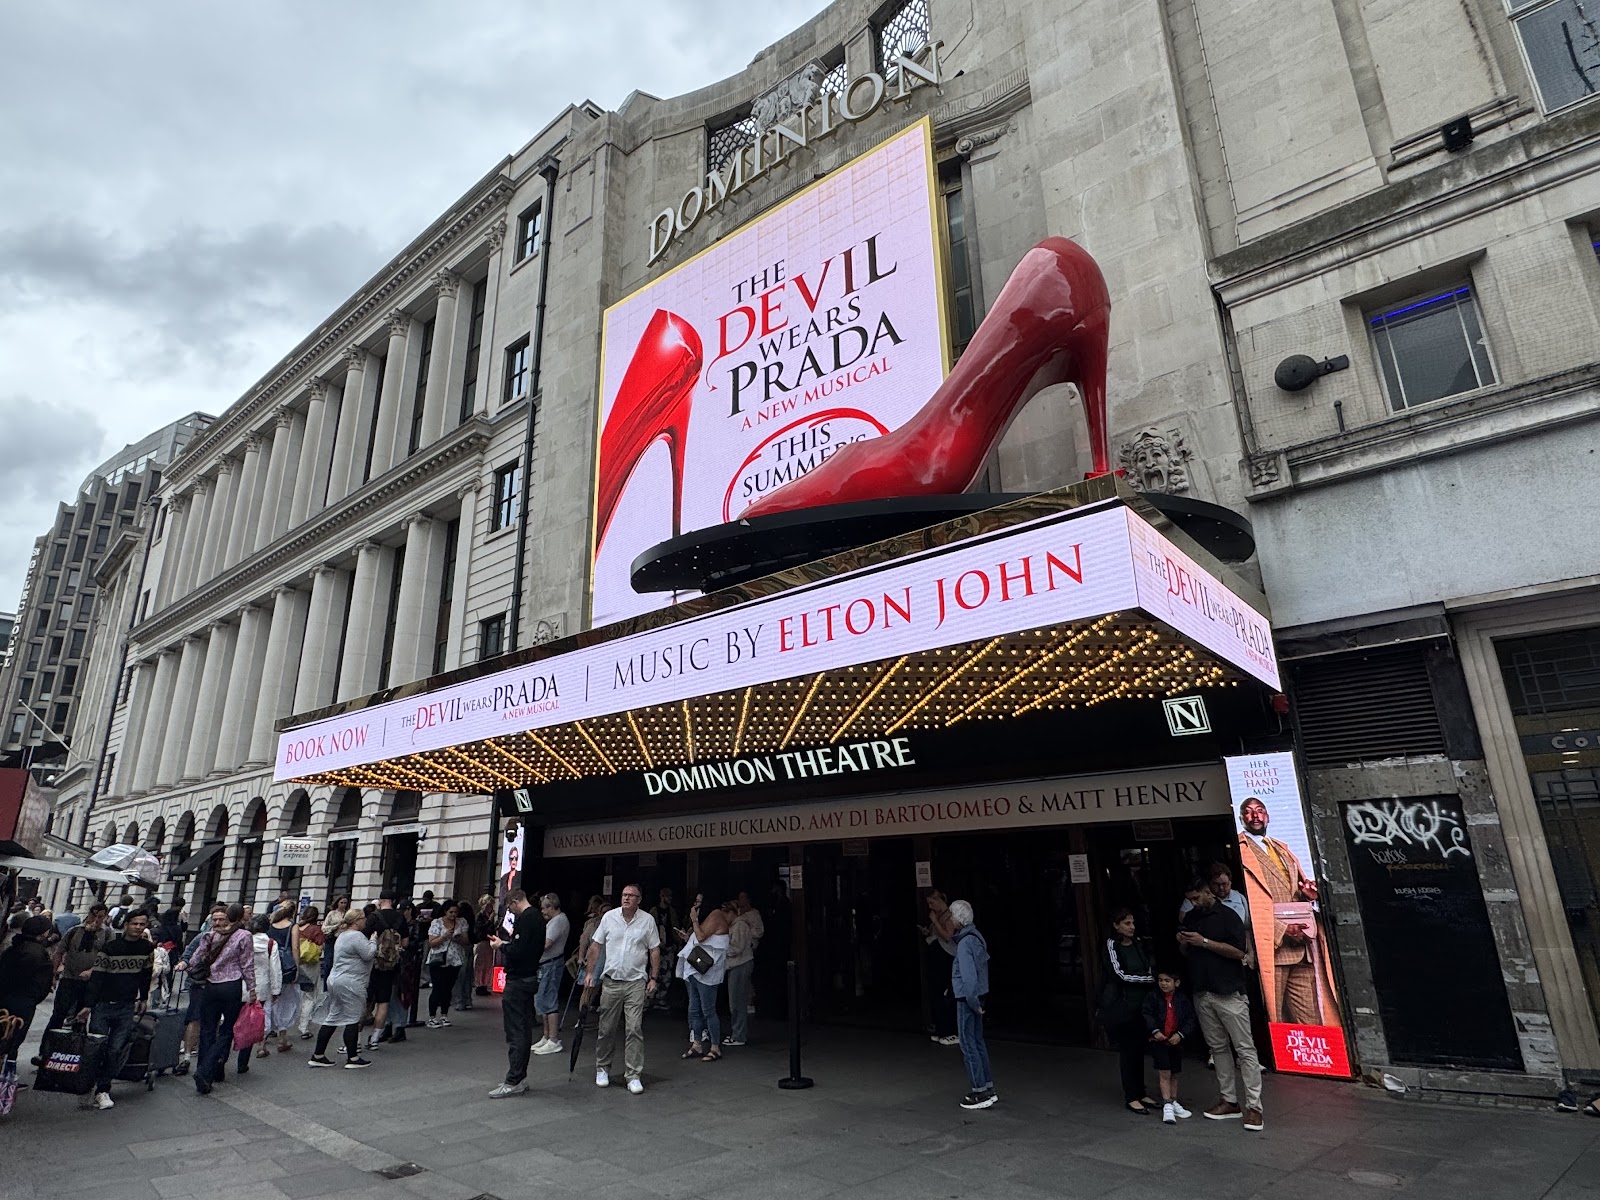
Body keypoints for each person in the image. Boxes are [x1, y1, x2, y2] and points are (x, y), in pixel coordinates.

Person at [1236, 798, 1338, 1028]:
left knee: (1312, 1018)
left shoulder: (1281, 847)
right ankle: (1283, 1065)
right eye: (1249, 812)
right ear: (1241, 818)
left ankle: (1311, 1064)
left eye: (1260, 811)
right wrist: (1282, 929)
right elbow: (1247, 903)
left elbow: (1291, 893)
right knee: (1276, 1019)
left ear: (1268, 816)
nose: (1255, 816)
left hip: (1303, 948)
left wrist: (1308, 895)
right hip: (1274, 948)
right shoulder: (1241, 850)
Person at [1178, 878, 1262, 1131]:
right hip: (1202, 990)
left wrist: (1204, 942)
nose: (1193, 903)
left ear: (1207, 893)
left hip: (1228, 990)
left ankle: (1255, 1106)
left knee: (1245, 1048)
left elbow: (1239, 952)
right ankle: (1229, 1100)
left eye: (1196, 898)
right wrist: (1184, 942)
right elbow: (1186, 953)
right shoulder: (1192, 917)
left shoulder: (1228, 916)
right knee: (1218, 1048)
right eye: (1190, 900)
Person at [76, 908, 156, 1110]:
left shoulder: (147, 948)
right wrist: (87, 1005)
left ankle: (103, 1089)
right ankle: (88, 1084)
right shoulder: (110, 947)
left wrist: (144, 998)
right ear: (126, 924)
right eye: (135, 923)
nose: (138, 927)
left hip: (126, 1006)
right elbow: (97, 977)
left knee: (115, 1050)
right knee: (96, 1047)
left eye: (142, 924)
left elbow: (145, 975)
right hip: (103, 1004)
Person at [584, 883, 661, 1093]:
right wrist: (590, 973)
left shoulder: (647, 920)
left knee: (634, 1028)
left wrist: (654, 977)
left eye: (631, 895)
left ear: (639, 899)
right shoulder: (609, 917)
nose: (626, 898)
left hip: (636, 981)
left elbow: (654, 950)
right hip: (611, 981)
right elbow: (596, 945)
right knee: (606, 1028)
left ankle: (633, 1074)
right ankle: (602, 1067)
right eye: (624, 894)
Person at [180, 904, 256, 1095]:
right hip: (231, 985)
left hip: (210, 985)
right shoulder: (244, 936)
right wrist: (252, 987)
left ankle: (203, 1072)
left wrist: (186, 965)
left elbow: (197, 956)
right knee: (227, 1030)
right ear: (240, 918)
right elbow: (247, 964)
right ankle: (207, 1069)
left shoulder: (210, 935)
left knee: (207, 1029)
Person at [487, 890, 543, 1098]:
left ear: (515, 901)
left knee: (515, 1029)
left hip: (518, 979)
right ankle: (519, 1076)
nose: (509, 910)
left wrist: (502, 946)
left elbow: (519, 951)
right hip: (529, 977)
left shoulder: (526, 919)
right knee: (523, 1028)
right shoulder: (537, 918)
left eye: (509, 906)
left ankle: (514, 1079)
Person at [1101, 908, 1157, 1115]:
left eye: (1132, 923)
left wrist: (1147, 978)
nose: (1131, 927)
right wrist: (1146, 980)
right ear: (1116, 926)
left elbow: (1147, 967)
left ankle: (1141, 1091)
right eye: (1126, 923)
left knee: (1139, 1049)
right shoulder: (1112, 945)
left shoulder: (1139, 943)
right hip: (1124, 1005)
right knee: (1128, 1051)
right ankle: (1131, 1096)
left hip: (1142, 1004)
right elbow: (1118, 974)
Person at [307, 910, 374, 1069]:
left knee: (333, 1016)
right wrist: (373, 941)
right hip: (351, 982)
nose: (365, 921)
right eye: (363, 918)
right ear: (357, 921)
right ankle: (353, 1058)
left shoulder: (342, 935)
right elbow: (368, 954)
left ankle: (318, 1055)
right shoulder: (356, 936)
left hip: (336, 979)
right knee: (352, 1018)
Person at [948, 900, 996, 1110]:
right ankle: (987, 1086)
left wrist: (972, 1001)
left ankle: (980, 1091)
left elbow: (968, 977)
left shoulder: (965, 943)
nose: (949, 919)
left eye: (951, 915)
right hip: (979, 995)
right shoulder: (976, 938)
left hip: (968, 999)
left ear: (958, 919)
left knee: (968, 1044)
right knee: (978, 1041)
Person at [174, 903, 226, 1075]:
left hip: (221, 986)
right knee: (195, 1018)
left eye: (221, 919)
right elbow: (187, 955)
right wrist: (184, 964)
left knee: (215, 1022)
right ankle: (187, 1057)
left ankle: (211, 1058)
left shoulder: (233, 938)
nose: (217, 923)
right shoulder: (203, 937)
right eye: (215, 919)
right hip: (200, 985)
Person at [677, 897, 730, 1061]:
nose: (695, 906)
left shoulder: (716, 915)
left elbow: (701, 937)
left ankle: (715, 1047)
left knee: (708, 1010)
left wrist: (694, 919)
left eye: (699, 902)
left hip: (707, 972)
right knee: (694, 1009)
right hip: (694, 969)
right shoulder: (708, 918)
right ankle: (697, 1044)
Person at [0, 916, 56, 1071]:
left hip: (6, 996)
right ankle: (7, 1076)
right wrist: (33, 998)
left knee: (5, 1034)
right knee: (13, 1038)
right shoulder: (38, 953)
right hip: (24, 1000)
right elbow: (42, 983)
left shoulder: (13, 948)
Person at [1143, 967, 1198, 1124]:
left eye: (1167, 981)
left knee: (1175, 1073)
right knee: (1164, 1072)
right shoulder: (1153, 997)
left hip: (1175, 1040)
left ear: (1177, 983)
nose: (1163, 984)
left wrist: (1181, 1035)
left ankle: (1174, 1101)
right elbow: (1147, 1014)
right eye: (1160, 980)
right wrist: (1154, 1031)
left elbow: (1190, 1018)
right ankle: (1166, 1104)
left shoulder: (1182, 1000)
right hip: (1159, 1040)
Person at [49, 901, 111, 1028]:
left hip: (90, 982)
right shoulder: (74, 931)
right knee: (58, 1014)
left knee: (80, 1018)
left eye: (100, 917)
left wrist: (92, 971)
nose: (96, 920)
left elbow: (108, 957)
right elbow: (59, 952)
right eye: (93, 916)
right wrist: (54, 974)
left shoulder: (107, 934)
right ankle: (49, 1045)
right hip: (69, 978)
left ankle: (74, 1044)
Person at [364, 893, 406, 1052]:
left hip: (372, 964)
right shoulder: (400, 918)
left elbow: (364, 937)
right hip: (390, 965)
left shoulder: (374, 917)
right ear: (393, 901)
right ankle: (374, 1039)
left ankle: (355, 1039)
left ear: (381, 901)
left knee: (366, 1002)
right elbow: (405, 942)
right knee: (383, 1002)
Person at [242, 915, 282, 1072]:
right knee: (262, 1014)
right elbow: (275, 969)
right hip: (263, 984)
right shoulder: (271, 944)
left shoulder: (245, 941)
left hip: (244, 983)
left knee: (243, 1013)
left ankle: (242, 1039)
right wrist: (276, 989)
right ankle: (260, 1045)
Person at [921, 891, 959, 1046]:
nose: (930, 906)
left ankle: (949, 1030)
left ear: (940, 900)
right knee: (935, 992)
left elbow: (948, 935)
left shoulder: (948, 916)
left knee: (945, 993)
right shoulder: (938, 915)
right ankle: (940, 1028)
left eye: (932, 903)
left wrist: (935, 921)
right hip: (936, 955)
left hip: (946, 957)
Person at [532, 894, 569, 1054]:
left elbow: (547, 944)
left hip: (551, 964)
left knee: (549, 999)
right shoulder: (557, 920)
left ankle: (553, 1038)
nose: (542, 911)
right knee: (543, 1000)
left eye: (544, 908)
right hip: (548, 963)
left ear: (551, 907)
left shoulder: (558, 921)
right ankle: (547, 1036)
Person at [723, 893, 761, 1047]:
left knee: (737, 1001)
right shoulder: (738, 925)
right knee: (737, 1000)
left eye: (726, 913)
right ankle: (737, 1033)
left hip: (740, 964)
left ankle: (739, 1035)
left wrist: (721, 948)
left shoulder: (739, 925)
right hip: (739, 963)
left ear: (732, 912)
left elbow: (736, 948)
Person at [425, 901, 469, 1027]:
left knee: (448, 988)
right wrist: (444, 936)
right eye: (451, 912)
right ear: (445, 911)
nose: (453, 915)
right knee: (437, 988)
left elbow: (466, 940)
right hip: (438, 959)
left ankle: (444, 1014)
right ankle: (432, 1016)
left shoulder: (462, 922)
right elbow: (432, 942)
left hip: (455, 959)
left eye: (455, 912)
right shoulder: (437, 923)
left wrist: (458, 938)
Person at [266, 904, 300, 1053]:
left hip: (269, 966)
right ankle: (282, 1038)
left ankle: (262, 1040)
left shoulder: (269, 926)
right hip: (286, 968)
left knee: (269, 1001)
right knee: (286, 1001)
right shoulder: (293, 926)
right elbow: (295, 948)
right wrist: (297, 967)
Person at [573, 896, 609, 1018]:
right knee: (588, 990)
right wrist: (581, 957)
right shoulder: (592, 925)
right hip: (595, 962)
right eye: (604, 912)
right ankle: (581, 1016)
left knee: (602, 990)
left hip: (608, 962)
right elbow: (583, 941)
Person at [295, 906, 325, 1039]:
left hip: (297, 962)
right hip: (311, 963)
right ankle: (304, 1027)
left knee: (297, 994)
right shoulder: (315, 930)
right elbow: (320, 946)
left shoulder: (296, 928)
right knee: (309, 995)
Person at [648, 887, 681, 1009]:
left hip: (669, 946)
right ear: (662, 897)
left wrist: (676, 944)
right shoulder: (654, 911)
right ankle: (650, 997)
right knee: (654, 971)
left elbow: (675, 927)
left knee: (667, 973)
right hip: (656, 946)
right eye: (668, 896)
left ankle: (661, 998)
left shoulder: (672, 911)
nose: (670, 899)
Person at [453, 899, 478, 1011]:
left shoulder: (460, 922)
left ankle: (459, 1001)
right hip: (469, 948)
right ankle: (467, 999)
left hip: (460, 949)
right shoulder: (472, 921)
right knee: (467, 975)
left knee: (459, 976)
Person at [473, 893, 497, 996]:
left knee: (488, 964)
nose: (490, 908)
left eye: (491, 905)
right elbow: (480, 929)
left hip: (489, 942)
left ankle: (485, 984)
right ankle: (479, 985)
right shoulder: (480, 916)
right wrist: (489, 920)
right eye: (488, 905)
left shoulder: (488, 916)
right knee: (480, 964)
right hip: (482, 941)